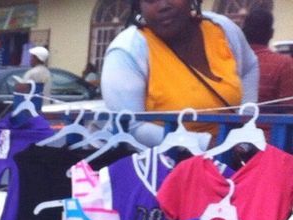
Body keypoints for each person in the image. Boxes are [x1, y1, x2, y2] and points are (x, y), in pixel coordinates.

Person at [101, 0, 258, 143]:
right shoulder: (127, 51)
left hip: (231, 162)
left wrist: (245, 124)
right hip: (165, 167)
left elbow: (250, 67)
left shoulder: (222, 29)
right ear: (138, 6)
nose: (163, 6)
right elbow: (131, 127)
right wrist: (205, 145)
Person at [242, 7, 293, 114]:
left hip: (222, 128)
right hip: (267, 129)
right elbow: (290, 108)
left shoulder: (228, 60)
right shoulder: (284, 64)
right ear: (271, 33)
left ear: (242, 31)